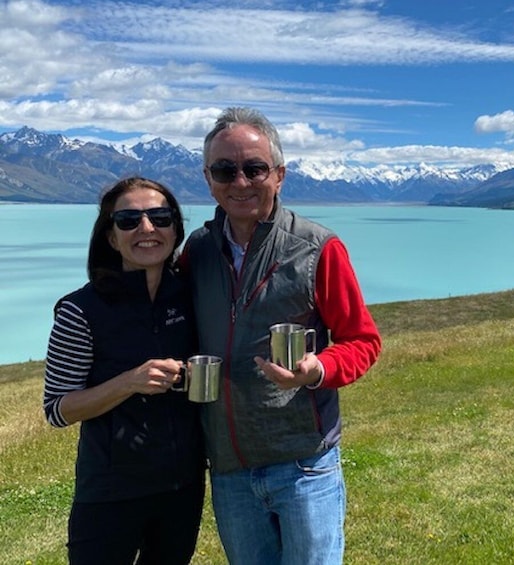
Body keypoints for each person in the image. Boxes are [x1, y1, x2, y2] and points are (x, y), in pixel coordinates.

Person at [179, 106, 382, 564]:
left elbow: (363, 341)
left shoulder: (317, 248)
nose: (240, 182)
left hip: (303, 464)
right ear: (208, 178)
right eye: (224, 170)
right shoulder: (198, 250)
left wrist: (318, 369)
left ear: (279, 175)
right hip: (229, 467)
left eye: (254, 169)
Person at [43, 177, 205, 564]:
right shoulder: (80, 311)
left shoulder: (194, 297)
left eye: (160, 217)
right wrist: (129, 382)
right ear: (111, 237)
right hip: (110, 491)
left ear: (175, 229)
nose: (147, 229)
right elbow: (58, 409)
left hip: (183, 487)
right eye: (129, 220)